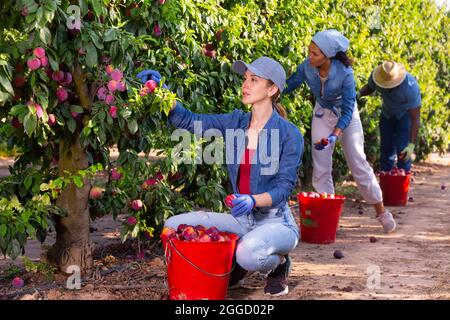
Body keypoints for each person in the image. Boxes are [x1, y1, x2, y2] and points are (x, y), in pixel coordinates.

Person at [136, 57, 304, 296]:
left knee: (247, 254)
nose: (245, 84)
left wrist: (253, 200)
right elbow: (190, 121)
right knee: (172, 226)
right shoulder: (236, 121)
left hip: (276, 222)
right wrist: (164, 96)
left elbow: (283, 189)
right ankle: (236, 260)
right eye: (245, 78)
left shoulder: (289, 134)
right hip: (242, 220)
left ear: (272, 89)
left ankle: (277, 265)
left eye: (254, 80)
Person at [283, 29, 396, 233]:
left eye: (314, 53)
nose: (310, 56)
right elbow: (290, 84)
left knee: (357, 161)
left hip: (346, 116)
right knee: (321, 165)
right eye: (309, 51)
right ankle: (328, 216)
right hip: (322, 113)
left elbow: (347, 110)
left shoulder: (345, 74)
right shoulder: (307, 67)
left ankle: (381, 211)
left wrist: (335, 134)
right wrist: (270, 91)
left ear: (328, 56)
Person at [357, 61, 421, 172]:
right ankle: (387, 182)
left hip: (404, 116)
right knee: (386, 150)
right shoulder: (377, 77)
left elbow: (415, 118)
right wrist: (358, 94)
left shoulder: (410, 87)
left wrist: (411, 145)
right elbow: (370, 87)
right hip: (387, 114)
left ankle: (402, 183)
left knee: (403, 150)